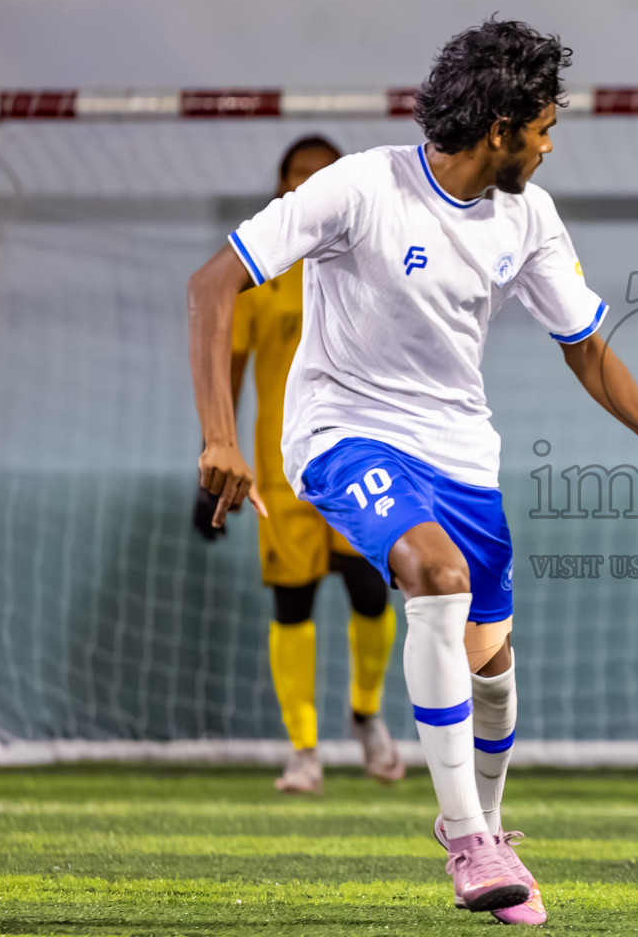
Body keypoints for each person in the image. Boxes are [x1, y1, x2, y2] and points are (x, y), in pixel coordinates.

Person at [187, 18, 638, 924]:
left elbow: (586, 349)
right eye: (545, 128)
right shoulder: (358, 186)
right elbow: (212, 285)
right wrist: (219, 437)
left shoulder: (529, 217)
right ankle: (464, 836)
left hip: (462, 453)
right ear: (500, 129)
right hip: (342, 433)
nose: (551, 145)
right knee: (430, 575)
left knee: (491, 659)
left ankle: (494, 831)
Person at [192, 136, 405, 795]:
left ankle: (366, 714)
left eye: (322, 175)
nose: (308, 184)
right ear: (282, 185)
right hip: (281, 467)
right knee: (293, 603)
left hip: (360, 457)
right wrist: (213, 448)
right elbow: (226, 368)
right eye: (297, 176)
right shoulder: (263, 269)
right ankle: (304, 750)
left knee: (371, 592)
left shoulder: (371, 259)